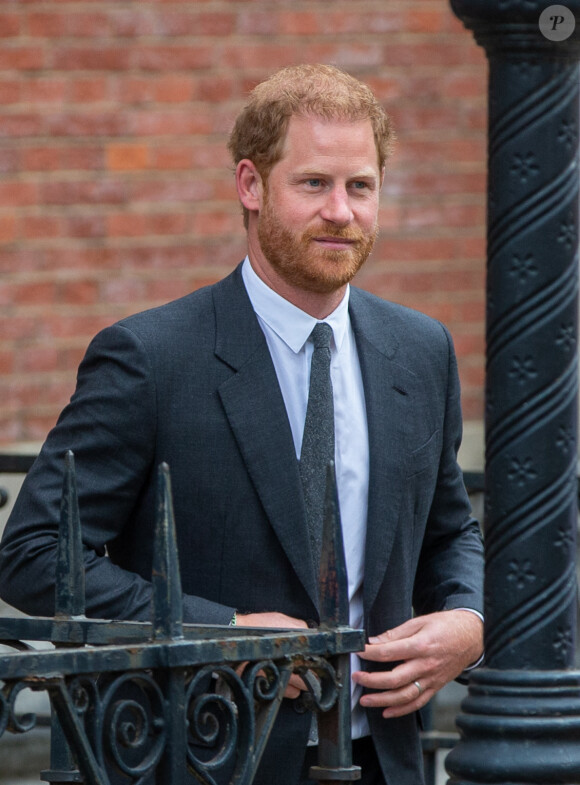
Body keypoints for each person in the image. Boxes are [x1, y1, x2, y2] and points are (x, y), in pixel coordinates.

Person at [0, 64, 484, 785]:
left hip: (386, 759)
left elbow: (451, 531)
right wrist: (219, 631)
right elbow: (34, 553)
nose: (342, 212)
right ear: (251, 186)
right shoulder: (149, 357)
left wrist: (470, 620)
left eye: (361, 186)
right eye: (314, 184)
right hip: (206, 756)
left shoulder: (421, 350)